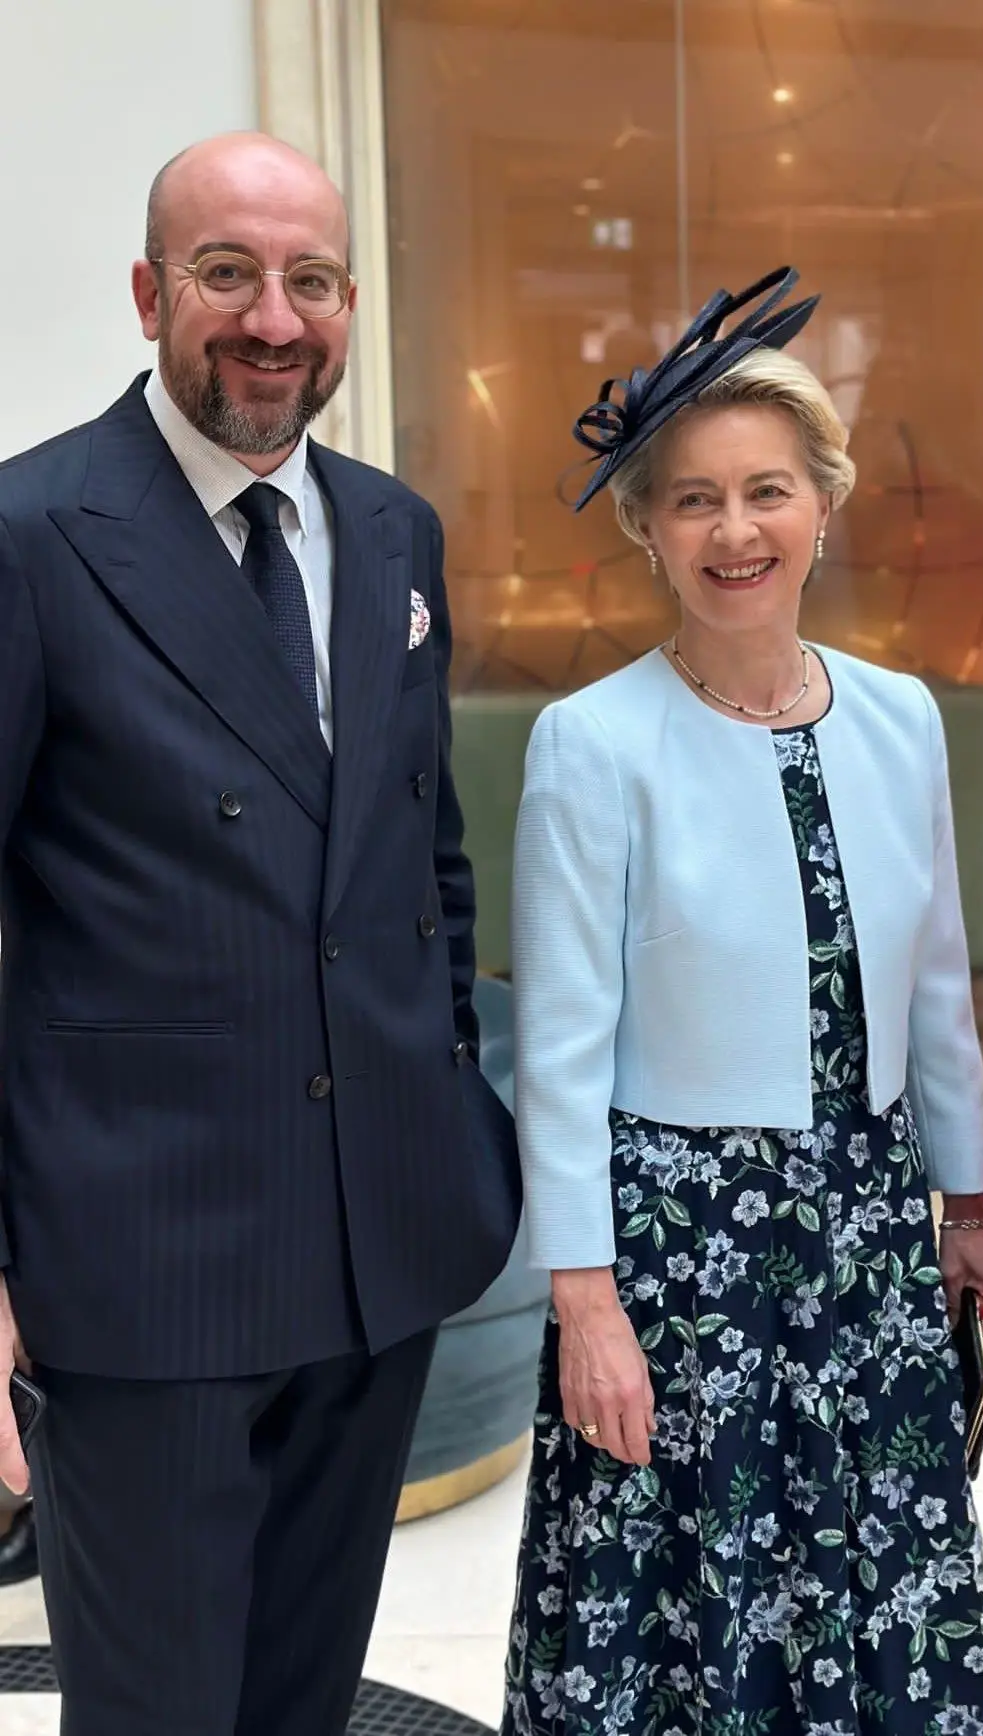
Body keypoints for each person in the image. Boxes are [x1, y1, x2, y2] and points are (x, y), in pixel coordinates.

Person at [0, 133, 519, 1734]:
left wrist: (457, 1124)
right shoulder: (32, 536)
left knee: (302, 1702)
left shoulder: (391, 533)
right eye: (229, 273)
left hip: (380, 1246)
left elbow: (423, 861)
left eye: (309, 280)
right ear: (154, 293)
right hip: (142, 1264)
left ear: (350, 303)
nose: (273, 319)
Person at [502, 269, 983, 1735]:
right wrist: (584, 1300)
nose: (736, 532)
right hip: (679, 1255)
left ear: (824, 505)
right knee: (685, 1606)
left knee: (873, 1591)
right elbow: (559, 1047)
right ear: (650, 532)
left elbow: (930, 987)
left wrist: (965, 1207)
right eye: (695, 502)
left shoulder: (902, 712)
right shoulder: (590, 743)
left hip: (864, 1234)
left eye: (768, 491)